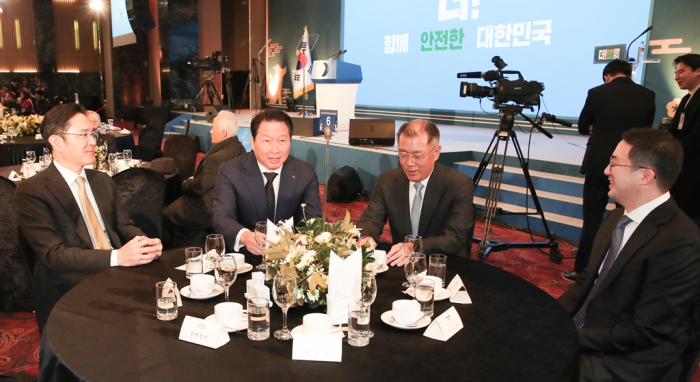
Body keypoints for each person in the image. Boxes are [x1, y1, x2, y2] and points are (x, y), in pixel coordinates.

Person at [558, 128, 700, 382]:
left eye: (614, 163)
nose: (605, 170)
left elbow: (647, 331)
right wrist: (550, 317)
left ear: (645, 176)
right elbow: (586, 282)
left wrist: (566, 336)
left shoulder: (680, 241)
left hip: (631, 358)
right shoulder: (617, 216)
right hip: (595, 331)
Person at [15, 104, 163, 334]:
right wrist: (117, 257)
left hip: (115, 274)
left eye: (92, 133)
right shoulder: (33, 191)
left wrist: (143, 242)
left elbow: (123, 225)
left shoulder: (101, 179)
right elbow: (54, 255)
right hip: (70, 286)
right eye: (83, 134)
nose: (93, 141)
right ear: (57, 142)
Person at [562, 60, 655, 282]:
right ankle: (618, 271)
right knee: (626, 217)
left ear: (607, 76)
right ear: (630, 74)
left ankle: (582, 270)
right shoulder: (648, 94)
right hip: (632, 166)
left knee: (592, 219)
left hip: (598, 165)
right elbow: (645, 131)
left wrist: (598, 126)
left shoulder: (597, 93)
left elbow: (583, 126)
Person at [356, 120, 475, 265]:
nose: (409, 163)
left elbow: (455, 237)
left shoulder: (459, 184)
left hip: (443, 263)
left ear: (436, 152)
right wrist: (367, 237)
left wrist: (415, 247)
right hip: (402, 264)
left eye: (418, 156)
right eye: (403, 154)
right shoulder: (387, 180)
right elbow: (371, 219)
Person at [213, 108, 322, 256]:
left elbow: (312, 221)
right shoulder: (231, 171)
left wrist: (300, 240)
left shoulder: (305, 172)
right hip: (247, 257)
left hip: (290, 257)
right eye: (267, 141)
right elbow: (222, 217)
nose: (275, 150)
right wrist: (245, 236)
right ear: (253, 141)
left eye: (282, 141)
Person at [163, 110, 246, 248]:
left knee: (164, 214)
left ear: (224, 133)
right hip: (220, 206)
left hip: (204, 210)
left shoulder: (218, 158)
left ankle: (172, 254)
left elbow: (198, 187)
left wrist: (187, 182)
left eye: (214, 128)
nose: (210, 132)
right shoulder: (239, 149)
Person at [669, 53, 700, 227]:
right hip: (682, 169)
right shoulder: (687, 98)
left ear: (698, 71)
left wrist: (675, 153)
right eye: (676, 73)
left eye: (681, 72)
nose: (677, 77)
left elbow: (697, 135)